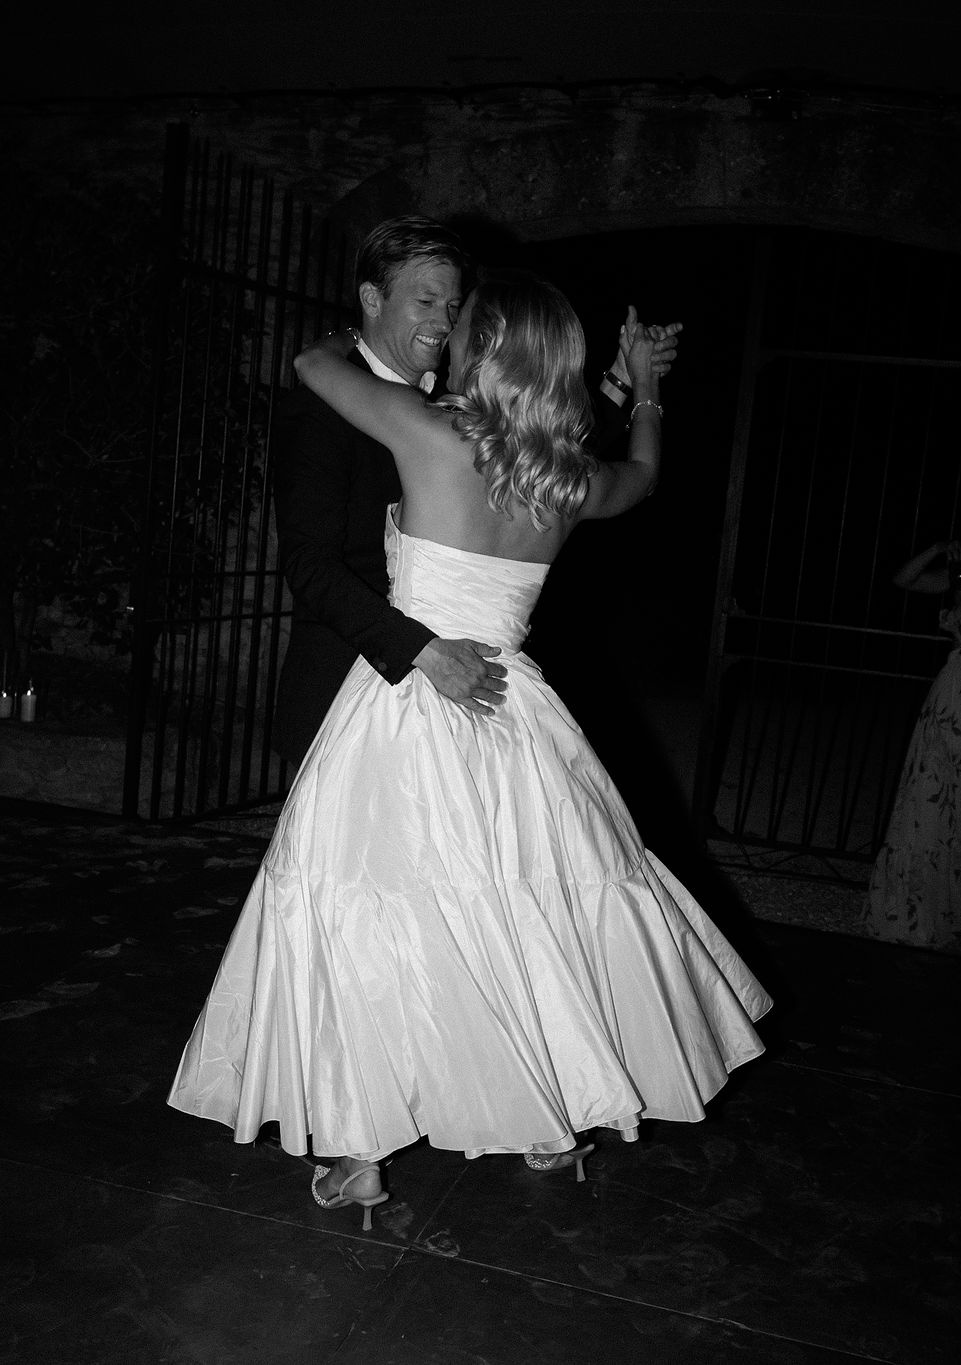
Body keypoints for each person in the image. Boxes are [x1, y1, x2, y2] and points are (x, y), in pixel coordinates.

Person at [169, 271, 771, 1226]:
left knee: (370, 916)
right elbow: (644, 476)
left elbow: (314, 362)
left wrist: (385, 317)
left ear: (483, 351)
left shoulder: (433, 436)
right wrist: (644, 387)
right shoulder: (568, 482)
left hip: (406, 703)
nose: (444, 332)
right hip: (514, 709)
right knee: (523, 907)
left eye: (458, 327)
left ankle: (361, 1154)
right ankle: (546, 1117)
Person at [272, 214, 681, 767]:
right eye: (427, 301)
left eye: (453, 306)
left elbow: (532, 460)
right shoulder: (324, 413)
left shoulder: (438, 417)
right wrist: (637, 384)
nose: (444, 321)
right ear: (372, 298)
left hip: (474, 694)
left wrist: (620, 379)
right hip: (351, 687)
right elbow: (310, 565)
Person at [863, 507, 961, 954]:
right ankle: (922, 912)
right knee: (938, 802)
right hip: (957, 701)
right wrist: (938, 548)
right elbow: (904, 580)